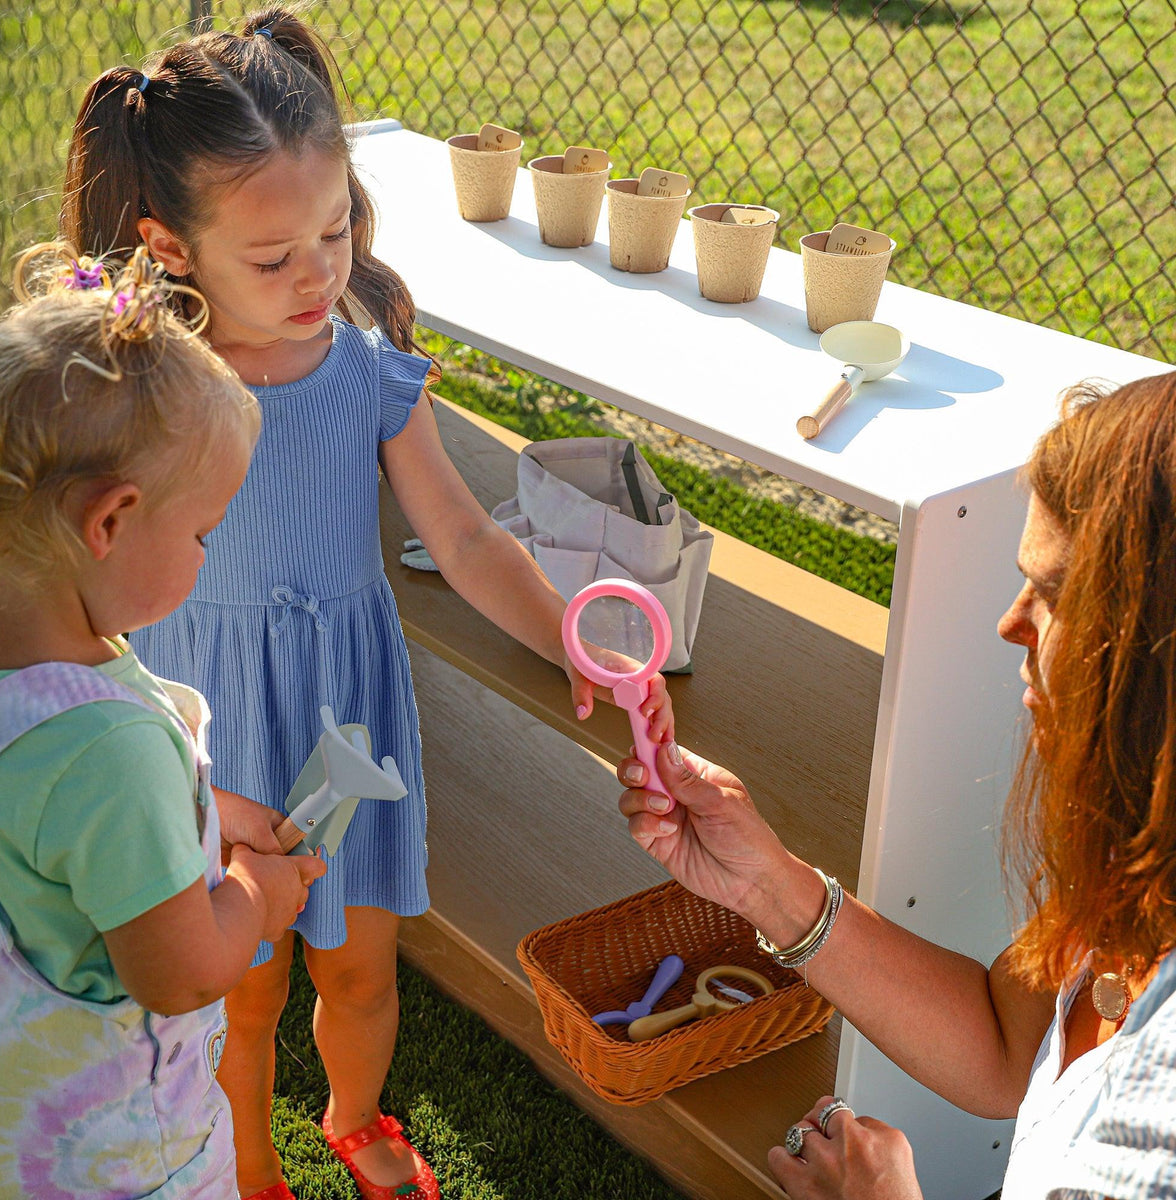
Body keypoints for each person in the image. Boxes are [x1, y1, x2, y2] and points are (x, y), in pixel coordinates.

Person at [61, 12, 674, 1200]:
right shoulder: (150, 393)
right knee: (245, 983)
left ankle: (352, 1114)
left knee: (359, 965)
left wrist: (569, 639)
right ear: (171, 247)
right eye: (275, 255)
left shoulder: (367, 370)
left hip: (351, 709)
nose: (319, 275)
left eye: (336, 232)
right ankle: (245, 1156)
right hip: (210, 710)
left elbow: (464, 533)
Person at [617, 373, 1176, 1199]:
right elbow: (1003, 1042)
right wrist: (770, 885)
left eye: (1055, 594)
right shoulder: (1143, 869)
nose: (1010, 621)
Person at [0, 244, 327, 1198]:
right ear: (112, 520)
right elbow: (181, 974)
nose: (209, 554)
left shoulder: (8, 676)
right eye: (204, 531)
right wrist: (257, 893)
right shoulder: (109, 751)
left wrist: (206, 808)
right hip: (122, 1165)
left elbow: (44, 825)